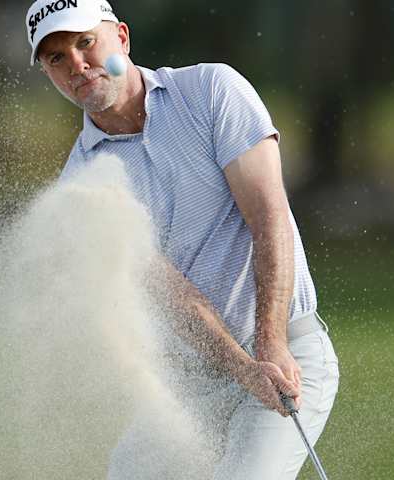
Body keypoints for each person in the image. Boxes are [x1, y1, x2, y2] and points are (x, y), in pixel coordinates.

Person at [24, 1, 338, 478]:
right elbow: (169, 293)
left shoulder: (211, 91)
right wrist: (241, 367)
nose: (77, 66)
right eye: (56, 59)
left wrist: (269, 346)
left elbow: (269, 217)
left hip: (288, 352)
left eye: (85, 43)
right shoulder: (82, 187)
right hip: (194, 380)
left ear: (122, 40)